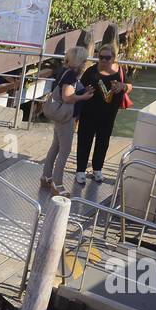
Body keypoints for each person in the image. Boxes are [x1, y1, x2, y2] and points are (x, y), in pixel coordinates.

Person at [39, 46, 94, 197]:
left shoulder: (64, 71)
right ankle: (57, 184)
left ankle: (46, 177)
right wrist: (83, 97)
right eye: (84, 60)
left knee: (55, 146)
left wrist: (82, 90)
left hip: (60, 115)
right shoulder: (71, 76)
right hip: (66, 118)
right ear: (80, 61)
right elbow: (67, 97)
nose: (85, 63)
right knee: (65, 150)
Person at [75, 43, 132, 184]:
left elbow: (129, 86)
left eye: (108, 57)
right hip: (89, 113)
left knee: (103, 142)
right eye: (101, 57)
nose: (104, 61)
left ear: (114, 58)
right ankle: (80, 171)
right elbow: (79, 88)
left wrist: (123, 86)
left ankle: (97, 169)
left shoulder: (120, 71)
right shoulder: (91, 71)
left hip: (108, 115)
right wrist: (85, 91)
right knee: (84, 141)